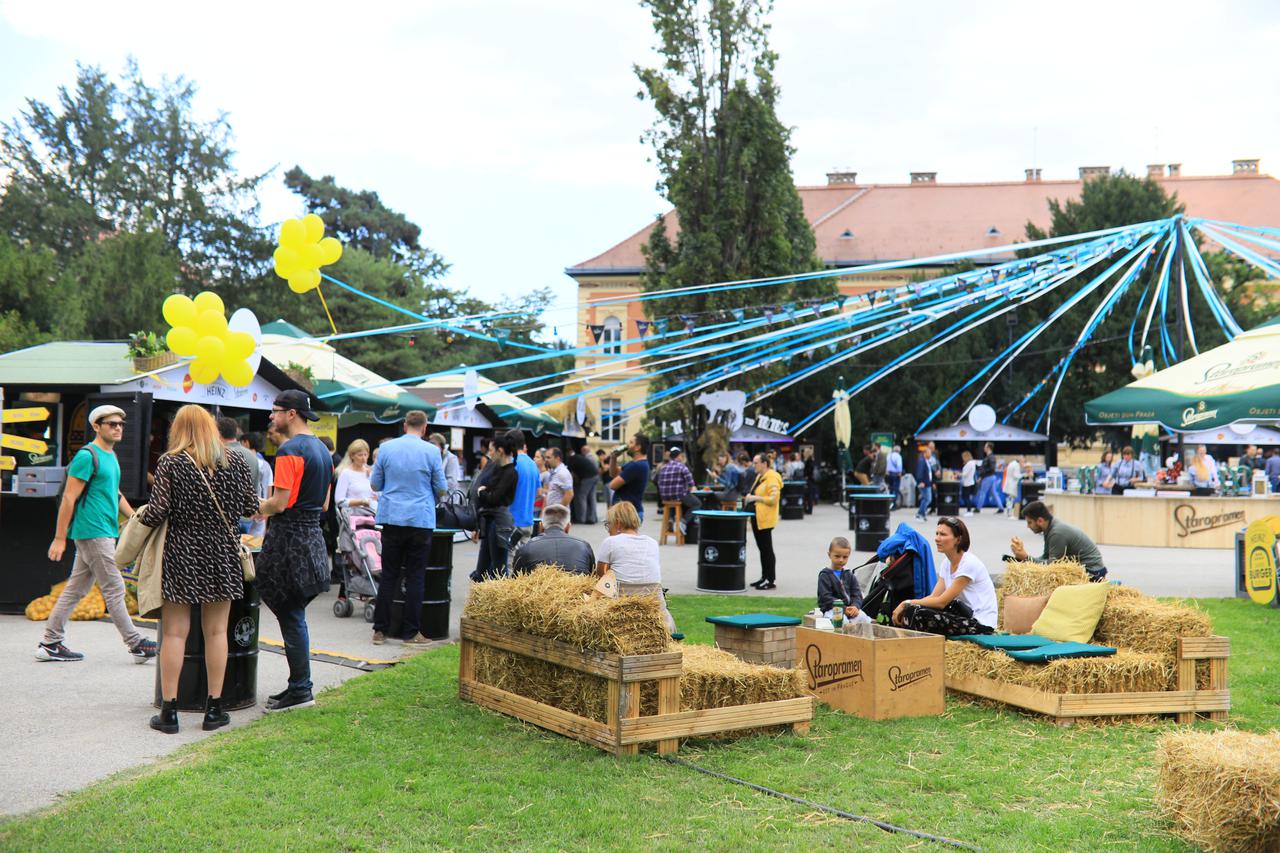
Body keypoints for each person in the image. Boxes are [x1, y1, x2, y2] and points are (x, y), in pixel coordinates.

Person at [141, 405, 260, 734]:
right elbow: (251, 507)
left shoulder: (170, 462)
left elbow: (157, 512)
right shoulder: (233, 460)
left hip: (181, 553)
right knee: (217, 632)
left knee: (175, 633)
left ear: (178, 429)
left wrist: (136, 518)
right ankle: (214, 708)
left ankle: (169, 712)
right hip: (222, 554)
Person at [39, 405, 157, 664]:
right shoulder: (87, 455)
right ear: (96, 426)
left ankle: (50, 642)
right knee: (114, 587)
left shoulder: (110, 456)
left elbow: (115, 493)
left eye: (121, 424)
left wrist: (137, 519)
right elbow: (69, 497)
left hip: (103, 529)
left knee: (76, 589)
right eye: (111, 423)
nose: (118, 428)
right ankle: (136, 643)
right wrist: (60, 538)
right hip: (93, 530)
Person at [255, 390, 333, 713]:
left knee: (290, 613)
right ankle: (298, 686)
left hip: (289, 541)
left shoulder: (289, 450)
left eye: (274, 411)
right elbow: (325, 504)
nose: (271, 417)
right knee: (293, 612)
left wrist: (253, 505)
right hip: (314, 538)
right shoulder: (324, 451)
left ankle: (301, 688)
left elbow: (279, 503)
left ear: (291, 414)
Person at [368, 411, 447, 646]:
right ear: (424, 428)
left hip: (392, 517)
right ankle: (411, 633)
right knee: (415, 577)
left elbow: (375, 483)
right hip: (420, 519)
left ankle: (380, 630)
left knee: (389, 574)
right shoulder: (432, 451)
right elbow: (441, 488)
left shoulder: (386, 449)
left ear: (404, 426)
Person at [892, 516, 997, 636]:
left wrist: (907, 603)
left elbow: (941, 602)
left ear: (958, 539)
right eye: (937, 533)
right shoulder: (946, 563)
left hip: (980, 624)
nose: (937, 538)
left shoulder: (969, 563)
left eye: (943, 534)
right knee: (912, 611)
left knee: (917, 614)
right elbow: (933, 596)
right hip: (963, 615)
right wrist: (908, 605)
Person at [596, 501, 676, 633]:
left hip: (621, 605)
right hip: (655, 604)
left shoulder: (610, 542)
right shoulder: (652, 543)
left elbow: (600, 575)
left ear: (618, 523)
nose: (608, 529)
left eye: (608, 524)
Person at [1012, 500, 1108, 582]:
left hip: (1093, 572)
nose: (1028, 526)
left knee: (1051, 579)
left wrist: (1026, 558)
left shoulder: (1056, 533)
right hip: (1087, 568)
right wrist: (1024, 557)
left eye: (1030, 522)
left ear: (1040, 521)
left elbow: (1053, 566)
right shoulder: (1050, 527)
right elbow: (1046, 557)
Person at [472, 431, 519, 581]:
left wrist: (483, 493)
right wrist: (484, 492)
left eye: (492, 450)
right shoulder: (499, 469)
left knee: (498, 568)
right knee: (484, 568)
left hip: (499, 522)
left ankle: (497, 600)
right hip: (491, 519)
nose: (489, 453)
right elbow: (489, 492)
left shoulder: (510, 472)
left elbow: (494, 497)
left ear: (500, 451)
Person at [511, 504, 594, 575]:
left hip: (537, 592)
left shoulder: (526, 548)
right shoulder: (584, 546)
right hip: (579, 593)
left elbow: (515, 580)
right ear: (568, 527)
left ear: (541, 526)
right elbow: (592, 576)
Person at [745, 453, 782, 590]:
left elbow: (773, 499)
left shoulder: (772, 477)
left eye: (756, 462)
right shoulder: (760, 477)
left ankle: (770, 579)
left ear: (764, 464)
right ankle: (764, 577)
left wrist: (754, 498)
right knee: (762, 549)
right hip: (757, 517)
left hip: (765, 519)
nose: (753, 465)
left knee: (767, 550)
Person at [607, 433, 651, 521]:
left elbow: (612, 485)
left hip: (627, 515)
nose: (627, 445)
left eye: (631, 443)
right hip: (627, 512)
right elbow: (613, 473)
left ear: (638, 447)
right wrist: (613, 458)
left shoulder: (637, 466)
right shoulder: (635, 464)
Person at [817, 536, 863, 619]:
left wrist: (855, 606)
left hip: (850, 610)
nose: (841, 560)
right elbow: (825, 597)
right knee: (842, 621)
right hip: (831, 610)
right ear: (829, 555)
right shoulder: (825, 575)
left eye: (845, 557)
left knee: (864, 618)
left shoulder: (849, 574)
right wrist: (843, 608)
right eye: (837, 556)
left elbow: (857, 594)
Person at [240, 431, 273, 539]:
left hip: (243, 512)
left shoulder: (241, 461)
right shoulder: (266, 465)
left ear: (246, 443)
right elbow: (269, 491)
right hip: (261, 512)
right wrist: (267, 513)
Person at [511, 432, 539, 547]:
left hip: (514, 522)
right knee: (524, 561)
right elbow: (538, 491)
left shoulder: (513, 463)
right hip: (528, 520)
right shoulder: (533, 464)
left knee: (510, 561)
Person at [334, 439, 377, 513]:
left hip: (371, 516)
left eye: (365, 455)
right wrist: (361, 502)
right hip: (353, 518)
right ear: (352, 456)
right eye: (360, 455)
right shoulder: (346, 473)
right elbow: (339, 500)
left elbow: (376, 493)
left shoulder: (370, 472)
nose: (363, 458)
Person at [566, 445, 599, 524]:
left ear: (568, 453)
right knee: (592, 498)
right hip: (595, 475)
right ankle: (592, 518)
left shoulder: (572, 459)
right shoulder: (579, 457)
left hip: (588, 477)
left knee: (581, 496)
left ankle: (581, 519)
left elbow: (570, 474)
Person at [974, 442, 1003, 514]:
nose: (984, 448)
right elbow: (988, 468)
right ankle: (1001, 508)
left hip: (988, 477)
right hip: (990, 477)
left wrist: (981, 476)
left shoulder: (990, 457)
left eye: (985, 447)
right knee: (994, 493)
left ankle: (978, 508)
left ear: (988, 448)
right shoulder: (990, 457)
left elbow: (990, 468)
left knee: (983, 492)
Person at [914, 445, 934, 521]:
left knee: (926, 499)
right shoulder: (922, 461)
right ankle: (920, 514)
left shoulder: (926, 461)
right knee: (927, 499)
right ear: (925, 453)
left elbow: (929, 473)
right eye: (929, 453)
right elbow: (920, 472)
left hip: (927, 483)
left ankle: (921, 514)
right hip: (924, 483)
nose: (930, 454)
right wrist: (921, 481)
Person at [959, 450, 978, 516]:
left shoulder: (969, 463)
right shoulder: (971, 463)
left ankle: (969, 510)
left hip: (968, 483)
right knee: (966, 497)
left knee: (966, 497)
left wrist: (958, 474)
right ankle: (969, 510)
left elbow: (965, 474)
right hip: (969, 482)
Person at [886, 444, 903, 510]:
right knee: (895, 490)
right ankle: (894, 504)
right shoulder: (898, 456)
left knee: (890, 489)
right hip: (896, 474)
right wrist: (900, 473)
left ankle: (889, 503)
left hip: (888, 474)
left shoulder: (889, 455)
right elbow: (899, 465)